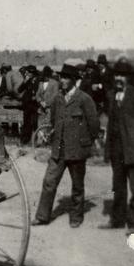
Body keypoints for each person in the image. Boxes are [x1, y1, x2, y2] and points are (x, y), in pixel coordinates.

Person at [33, 64, 100, 228]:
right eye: (61, 77)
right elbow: (54, 121)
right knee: (49, 181)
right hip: (59, 149)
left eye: (66, 77)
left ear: (74, 80)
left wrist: (85, 143)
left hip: (77, 150)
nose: (62, 80)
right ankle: (42, 216)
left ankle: (76, 217)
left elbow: (94, 125)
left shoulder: (84, 99)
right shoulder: (57, 98)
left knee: (77, 185)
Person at [102, 60, 134, 233]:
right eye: (116, 75)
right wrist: (107, 150)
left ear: (129, 78)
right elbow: (110, 125)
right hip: (117, 151)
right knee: (118, 187)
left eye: (122, 75)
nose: (119, 78)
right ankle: (117, 220)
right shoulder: (111, 95)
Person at [18, 65, 40, 145]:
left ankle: (35, 141)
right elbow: (19, 90)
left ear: (33, 73)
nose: (27, 74)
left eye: (28, 72)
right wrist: (25, 81)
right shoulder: (27, 80)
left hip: (35, 105)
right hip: (27, 105)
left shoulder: (38, 80)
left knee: (34, 123)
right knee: (26, 122)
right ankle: (25, 141)